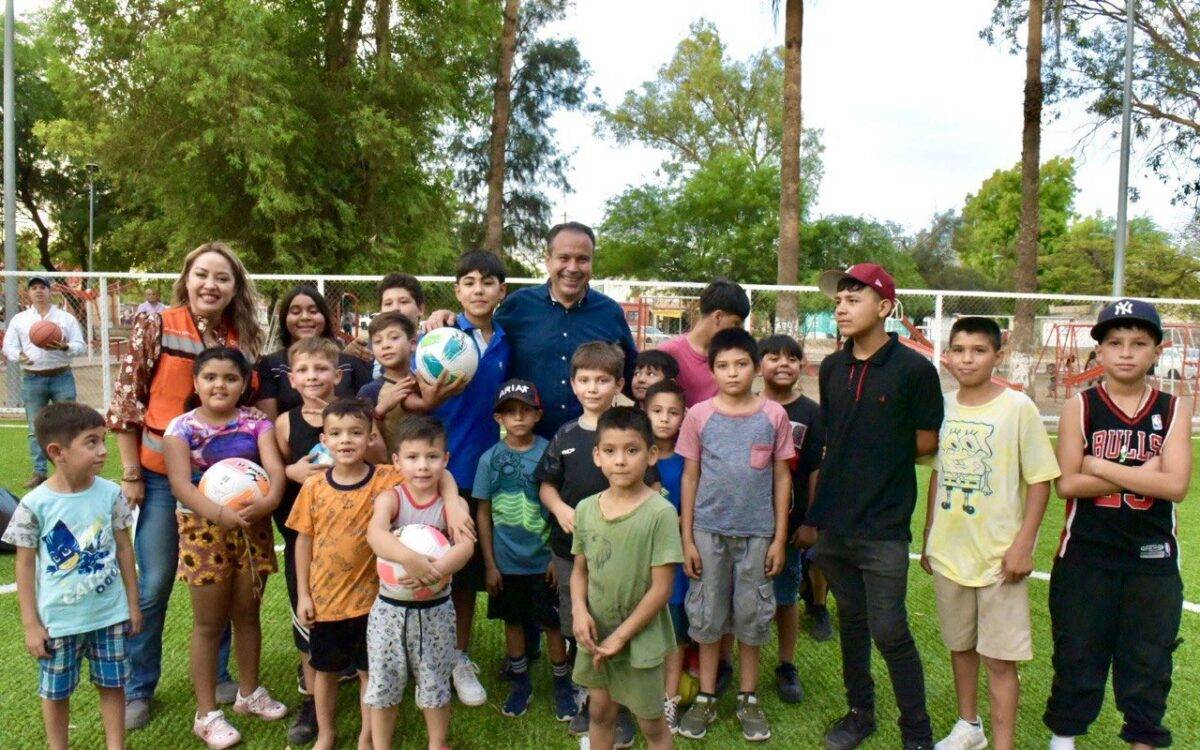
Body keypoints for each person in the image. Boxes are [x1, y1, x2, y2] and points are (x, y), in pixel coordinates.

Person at [107, 241, 265, 730]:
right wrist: (131, 470)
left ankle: (219, 678)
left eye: (222, 277)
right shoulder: (158, 323)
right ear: (187, 278)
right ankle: (138, 687)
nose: (210, 285)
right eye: (202, 275)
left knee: (218, 581)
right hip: (159, 478)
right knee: (153, 586)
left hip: (224, 483)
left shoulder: (242, 338)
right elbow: (128, 398)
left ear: (234, 286)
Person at [805, 264, 943, 750]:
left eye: (854, 297)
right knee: (852, 622)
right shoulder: (832, 367)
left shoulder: (914, 370)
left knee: (889, 629)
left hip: (883, 525)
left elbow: (925, 441)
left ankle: (917, 733)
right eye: (839, 298)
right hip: (835, 524)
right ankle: (860, 713)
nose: (841, 306)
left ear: (884, 308)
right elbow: (833, 440)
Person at [1044, 299, 1192, 750]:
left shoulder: (1173, 408)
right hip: (1085, 555)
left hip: (1152, 561)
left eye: (1139, 343)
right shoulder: (1080, 406)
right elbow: (1067, 484)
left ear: (1156, 351)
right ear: (1100, 352)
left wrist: (1099, 463)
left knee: (1148, 666)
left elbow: (1176, 486)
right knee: (1077, 656)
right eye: (1115, 342)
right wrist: (1143, 473)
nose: (1126, 352)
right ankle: (1063, 740)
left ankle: (1143, 741)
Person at [916, 318, 1059, 750]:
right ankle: (968, 727)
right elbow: (940, 474)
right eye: (958, 350)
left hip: (999, 558)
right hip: (950, 552)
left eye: (978, 350)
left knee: (999, 658)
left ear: (997, 355)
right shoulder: (942, 406)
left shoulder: (1018, 408)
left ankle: (1003, 743)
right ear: (947, 356)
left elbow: (1040, 480)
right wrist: (928, 536)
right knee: (961, 646)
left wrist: (1023, 546)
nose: (967, 359)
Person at [163, 347, 289, 748]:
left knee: (248, 614)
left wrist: (267, 503)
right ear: (197, 383)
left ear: (244, 384)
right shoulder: (180, 428)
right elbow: (181, 484)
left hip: (252, 528)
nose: (220, 384)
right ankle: (206, 714)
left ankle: (249, 693)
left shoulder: (256, 423)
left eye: (230, 378)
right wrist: (219, 513)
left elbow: (275, 470)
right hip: (204, 531)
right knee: (208, 624)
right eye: (211, 377)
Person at [675, 328, 793, 742]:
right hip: (708, 533)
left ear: (757, 368)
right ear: (711, 371)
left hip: (758, 535)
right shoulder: (698, 415)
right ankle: (707, 696)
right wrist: (687, 537)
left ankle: (748, 696)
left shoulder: (774, 416)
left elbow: (782, 477)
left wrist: (779, 538)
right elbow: (690, 476)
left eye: (741, 364)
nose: (732, 372)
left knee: (751, 616)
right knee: (707, 617)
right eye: (722, 366)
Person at [3, 403, 141, 750]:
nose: (104, 450)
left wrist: (133, 606)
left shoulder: (111, 494)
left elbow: (125, 549)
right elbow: (24, 567)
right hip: (59, 622)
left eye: (103, 440)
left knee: (113, 684)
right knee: (56, 691)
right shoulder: (35, 504)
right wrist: (31, 624)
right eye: (91, 442)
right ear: (57, 452)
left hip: (109, 616)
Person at [537, 341, 656, 743]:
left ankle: (618, 705)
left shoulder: (629, 430)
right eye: (584, 379)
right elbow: (547, 485)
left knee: (620, 621)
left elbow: (650, 487)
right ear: (572, 384)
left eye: (602, 380)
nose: (592, 388)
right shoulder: (565, 434)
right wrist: (560, 510)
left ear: (619, 383)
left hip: (624, 553)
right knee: (579, 622)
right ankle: (591, 696)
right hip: (573, 550)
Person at [426, 223, 639, 440]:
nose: (573, 268)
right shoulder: (518, 306)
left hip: (592, 443)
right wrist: (447, 319)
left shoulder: (610, 312)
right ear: (548, 260)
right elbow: (482, 329)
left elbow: (634, 377)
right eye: (564, 258)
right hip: (528, 447)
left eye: (582, 259)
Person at [286, 399, 405, 750]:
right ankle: (326, 733)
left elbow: (434, 476)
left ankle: (367, 737)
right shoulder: (314, 487)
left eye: (355, 432)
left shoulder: (386, 479)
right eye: (336, 434)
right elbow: (302, 543)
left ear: (371, 437)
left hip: (374, 603)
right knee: (325, 672)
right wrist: (305, 595)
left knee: (371, 672)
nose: (346, 440)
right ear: (324, 439)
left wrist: (456, 503)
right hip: (326, 602)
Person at [429, 249, 513, 708]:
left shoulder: (505, 340)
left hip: (481, 476)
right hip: (435, 472)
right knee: (427, 565)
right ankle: (427, 656)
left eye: (488, 282)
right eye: (469, 282)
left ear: (502, 292)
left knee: (465, 574)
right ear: (457, 291)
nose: (478, 290)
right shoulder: (438, 336)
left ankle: (459, 657)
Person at [571, 407, 682, 750]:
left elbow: (662, 588)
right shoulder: (586, 508)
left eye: (631, 450)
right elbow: (580, 571)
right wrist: (579, 611)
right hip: (596, 634)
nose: (620, 461)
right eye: (610, 451)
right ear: (597, 456)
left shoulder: (660, 513)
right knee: (601, 713)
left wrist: (621, 636)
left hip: (639, 638)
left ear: (651, 455)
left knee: (651, 723)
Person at [273, 336, 366, 744]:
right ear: (292, 379)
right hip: (305, 538)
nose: (314, 377)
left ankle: (368, 696)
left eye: (322, 369)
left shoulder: (356, 417)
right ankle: (312, 702)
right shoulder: (284, 422)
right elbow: (279, 475)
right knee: (307, 619)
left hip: (355, 538)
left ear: (338, 375)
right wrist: (291, 473)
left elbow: (378, 460)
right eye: (305, 370)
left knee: (361, 623)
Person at [364, 416, 476, 750]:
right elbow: (375, 534)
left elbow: (466, 546)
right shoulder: (391, 499)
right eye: (412, 458)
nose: (423, 466)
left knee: (435, 682)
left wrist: (438, 569)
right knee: (384, 682)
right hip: (389, 612)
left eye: (431, 457)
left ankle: (437, 743)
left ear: (445, 459)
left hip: (436, 611)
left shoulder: (452, 506)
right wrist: (410, 558)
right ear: (396, 461)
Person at [474, 380, 575, 720]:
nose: (518, 417)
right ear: (498, 418)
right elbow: (484, 511)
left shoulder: (550, 450)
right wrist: (490, 563)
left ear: (537, 415)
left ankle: (563, 685)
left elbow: (557, 504)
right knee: (513, 622)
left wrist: (553, 556)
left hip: (543, 561)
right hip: (506, 564)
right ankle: (521, 683)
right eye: (509, 411)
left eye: (525, 411)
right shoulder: (490, 459)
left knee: (553, 624)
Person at [758, 333, 827, 703]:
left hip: (789, 524)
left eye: (792, 357)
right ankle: (727, 663)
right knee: (742, 594)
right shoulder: (746, 406)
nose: (783, 363)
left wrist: (811, 521)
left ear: (802, 366)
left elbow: (815, 469)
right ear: (758, 365)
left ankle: (786, 664)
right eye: (773, 356)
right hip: (748, 522)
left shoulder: (811, 412)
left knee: (785, 595)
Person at [3, 276, 86, 488]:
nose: (39, 291)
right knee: (34, 427)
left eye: (42, 287)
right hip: (32, 378)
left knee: (69, 425)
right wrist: (18, 356)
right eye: (34, 288)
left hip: (61, 376)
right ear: (28, 293)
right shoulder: (20, 320)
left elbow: (80, 345)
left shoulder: (65, 318)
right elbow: (8, 347)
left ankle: (71, 468)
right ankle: (39, 472)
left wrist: (65, 347)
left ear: (50, 292)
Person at [642, 379, 690, 733]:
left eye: (673, 412)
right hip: (638, 563)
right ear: (644, 413)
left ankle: (669, 699)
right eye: (656, 411)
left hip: (675, 567)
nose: (664, 419)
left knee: (673, 634)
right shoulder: (632, 455)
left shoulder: (689, 461)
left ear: (684, 416)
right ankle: (636, 697)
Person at [255, 284, 373, 419]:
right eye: (295, 312)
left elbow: (368, 418)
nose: (305, 317)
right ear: (284, 319)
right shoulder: (271, 365)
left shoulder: (350, 363)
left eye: (313, 311)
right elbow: (269, 425)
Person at [658, 279, 750, 407]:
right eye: (736, 323)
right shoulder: (668, 352)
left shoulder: (733, 356)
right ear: (718, 316)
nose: (738, 330)